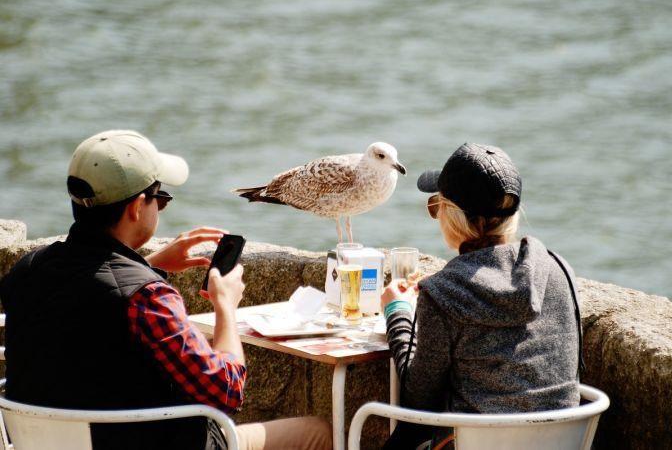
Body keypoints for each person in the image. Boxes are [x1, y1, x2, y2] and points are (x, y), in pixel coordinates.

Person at [0, 130, 331, 450]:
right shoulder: (147, 299)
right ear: (135, 208)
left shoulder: (26, 271)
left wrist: (148, 265)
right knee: (318, 434)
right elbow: (226, 391)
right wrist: (225, 306)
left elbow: (86, 292)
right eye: (161, 198)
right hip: (151, 442)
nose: (161, 206)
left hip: (44, 443)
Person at [381, 143, 582, 449]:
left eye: (436, 206)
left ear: (452, 216)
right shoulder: (558, 269)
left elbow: (418, 403)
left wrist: (397, 312)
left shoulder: (443, 292)